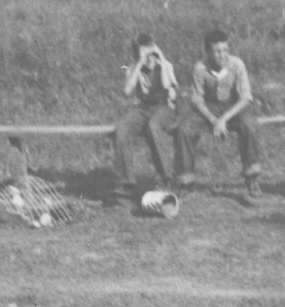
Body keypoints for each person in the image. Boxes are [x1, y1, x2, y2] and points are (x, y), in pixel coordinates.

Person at [176, 25, 264, 195]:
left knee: (249, 124)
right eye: (217, 51)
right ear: (208, 52)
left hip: (233, 108)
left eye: (225, 50)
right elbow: (197, 100)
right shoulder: (200, 68)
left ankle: (252, 178)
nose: (222, 55)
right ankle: (186, 181)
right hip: (209, 109)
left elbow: (245, 98)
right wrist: (213, 120)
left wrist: (223, 119)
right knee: (184, 129)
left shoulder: (237, 64)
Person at [112, 32, 179, 197]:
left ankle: (166, 178)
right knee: (121, 128)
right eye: (142, 54)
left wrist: (160, 57)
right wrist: (140, 62)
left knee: (153, 126)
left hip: (164, 107)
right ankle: (126, 182)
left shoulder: (165, 65)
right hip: (143, 108)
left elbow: (166, 84)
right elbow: (127, 91)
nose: (148, 59)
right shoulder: (134, 67)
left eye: (149, 54)